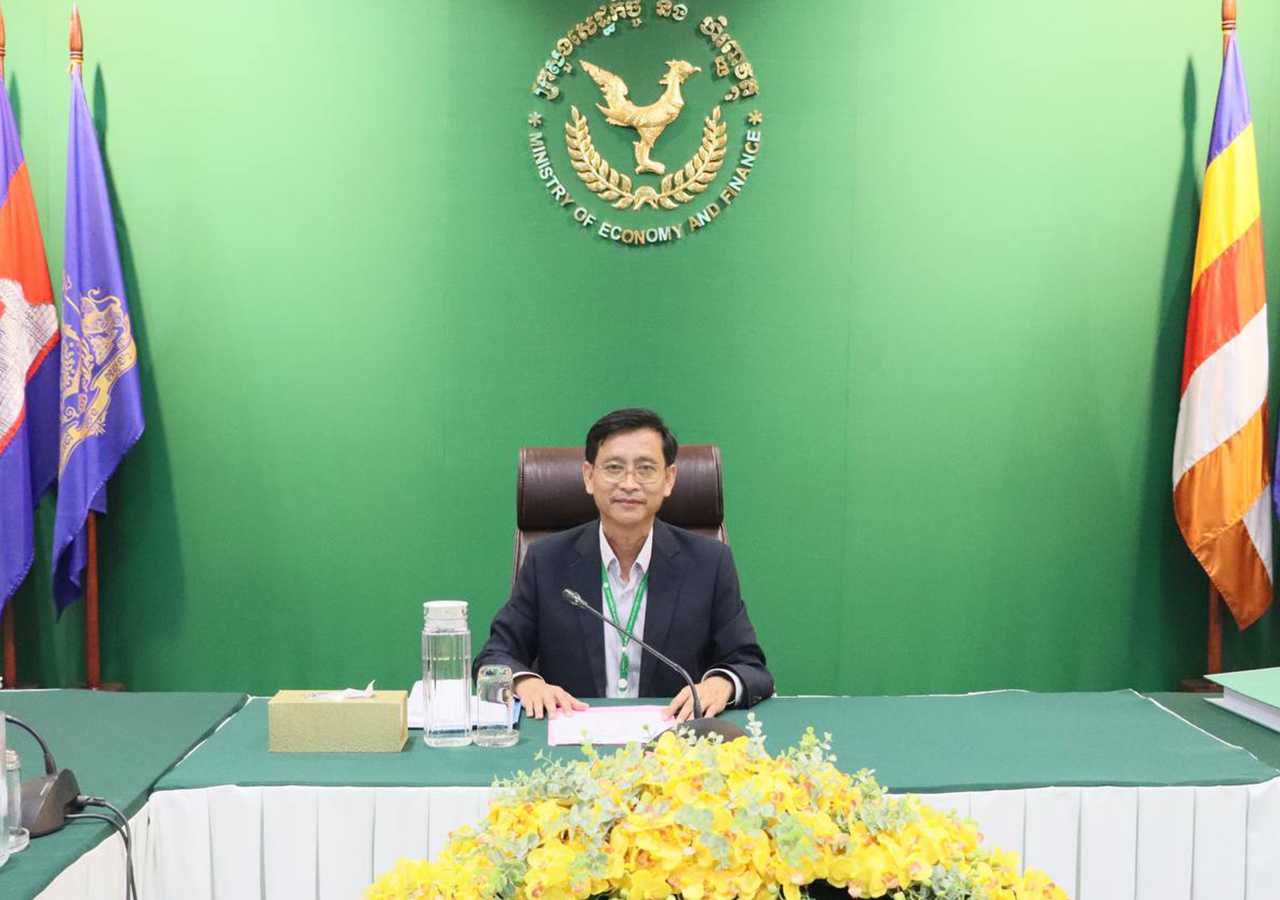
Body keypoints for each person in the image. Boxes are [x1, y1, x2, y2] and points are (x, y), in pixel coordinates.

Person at [475, 408, 773, 722]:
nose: (629, 483)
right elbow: (494, 657)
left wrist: (721, 684)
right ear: (589, 477)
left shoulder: (709, 563)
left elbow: (750, 666)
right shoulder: (547, 560)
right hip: (573, 738)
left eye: (645, 468)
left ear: (669, 479)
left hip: (673, 741)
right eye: (614, 468)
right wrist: (526, 683)